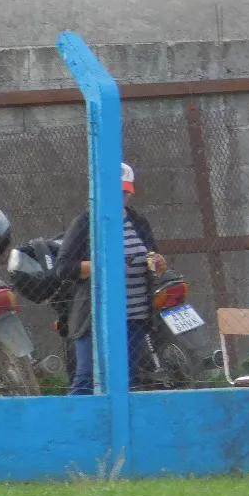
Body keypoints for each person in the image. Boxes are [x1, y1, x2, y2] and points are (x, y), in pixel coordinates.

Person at [55, 163, 167, 395]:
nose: (121, 197)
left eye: (125, 193)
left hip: (134, 316)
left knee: (124, 379)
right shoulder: (86, 222)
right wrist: (104, 266)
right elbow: (63, 267)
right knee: (87, 377)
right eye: (115, 192)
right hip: (95, 317)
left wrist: (157, 262)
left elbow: (151, 253)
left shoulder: (138, 221)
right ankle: (70, 427)